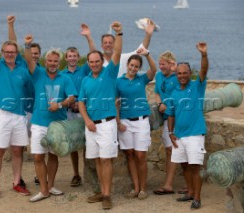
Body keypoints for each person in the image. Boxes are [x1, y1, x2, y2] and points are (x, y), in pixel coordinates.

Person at [24, 34, 78, 202]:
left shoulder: (66, 78)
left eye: (56, 61)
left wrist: (60, 105)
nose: (53, 63)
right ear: (45, 61)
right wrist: (27, 45)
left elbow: (72, 97)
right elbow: (28, 61)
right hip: (39, 123)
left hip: (57, 124)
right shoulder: (38, 74)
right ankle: (43, 190)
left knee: (53, 156)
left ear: (59, 63)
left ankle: (51, 185)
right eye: (50, 61)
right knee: (38, 157)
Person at [0, 18, 31, 198]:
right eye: (6, 52)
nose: (10, 54)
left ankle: (16, 182)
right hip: (2, 114)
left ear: (16, 53)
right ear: (2, 53)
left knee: (18, 150)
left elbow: (14, 42)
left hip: (19, 115)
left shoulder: (22, 68)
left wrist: (11, 26)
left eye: (13, 52)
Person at [78, 21, 123, 210]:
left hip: (107, 124)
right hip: (91, 126)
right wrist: (87, 120)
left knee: (106, 160)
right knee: (97, 159)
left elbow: (118, 53)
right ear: (88, 63)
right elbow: (81, 102)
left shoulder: (110, 73)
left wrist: (119, 33)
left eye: (97, 61)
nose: (95, 64)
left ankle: (107, 194)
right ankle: (102, 191)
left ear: (101, 62)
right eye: (92, 62)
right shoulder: (86, 80)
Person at [166, 42, 209, 210]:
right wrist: (170, 132)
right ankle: (190, 192)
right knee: (184, 165)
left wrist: (204, 54)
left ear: (190, 74)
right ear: (176, 75)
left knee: (195, 167)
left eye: (185, 73)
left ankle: (197, 198)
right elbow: (170, 114)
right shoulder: (174, 92)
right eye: (179, 73)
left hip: (195, 135)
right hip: (179, 135)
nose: (182, 75)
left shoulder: (197, 87)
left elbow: (204, 70)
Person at [116, 47, 157, 200]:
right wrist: (118, 122)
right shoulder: (118, 82)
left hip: (141, 122)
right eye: (131, 65)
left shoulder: (142, 79)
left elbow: (154, 69)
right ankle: (136, 188)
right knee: (130, 155)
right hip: (125, 123)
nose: (133, 68)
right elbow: (115, 103)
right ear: (127, 65)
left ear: (139, 68)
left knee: (140, 155)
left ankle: (144, 189)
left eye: (136, 66)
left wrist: (147, 54)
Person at [60, 23, 95, 187]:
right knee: (74, 144)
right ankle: (76, 174)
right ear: (66, 58)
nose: (72, 58)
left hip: (84, 112)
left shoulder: (84, 70)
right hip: (68, 112)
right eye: (69, 56)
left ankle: (91, 174)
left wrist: (88, 36)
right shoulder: (61, 74)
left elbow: (94, 54)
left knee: (88, 143)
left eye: (75, 56)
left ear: (78, 57)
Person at [7, 15, 39, 185]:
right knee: (18, 148)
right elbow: (12, 43)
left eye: (36, 54)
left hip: (36, 113)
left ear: (39, 55)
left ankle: (38, 175)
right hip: (21, 112)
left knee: (37, 149)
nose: (33, 56)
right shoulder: (20, 65)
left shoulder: (41, 71)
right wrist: (11, 24)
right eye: (30, 53)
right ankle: (18, 179)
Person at [152, 51, 183, 195]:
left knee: (173, 148)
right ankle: (169, 183)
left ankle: (169, 184)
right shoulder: (158, 76)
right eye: (160, 64)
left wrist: (175, 69)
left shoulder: (178, 77)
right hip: (166, 116)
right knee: (169, 149)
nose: (161, 67)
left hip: (178, 116)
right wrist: (160, 104)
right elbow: (157, 92)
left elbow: (182, 91)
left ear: (170, 64)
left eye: (163, 64)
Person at [86, 18, 155, 77]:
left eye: (110, 43)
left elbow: (141, 50)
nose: (108, 45)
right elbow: (93, 54)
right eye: (105, 43)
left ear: (115, 45)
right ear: (102, 46)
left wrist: (148, 35)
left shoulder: (123, 58)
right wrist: (88, 37)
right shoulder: (99, 62)